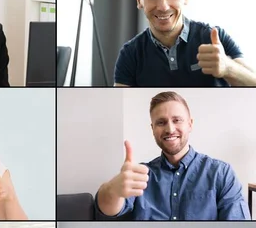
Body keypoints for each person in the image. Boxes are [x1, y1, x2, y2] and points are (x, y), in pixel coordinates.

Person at [95, 91, 249, 220]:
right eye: (161, 122)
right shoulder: (140, 175)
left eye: (177, 120)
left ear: (190, 124)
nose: (170, 129)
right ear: (153, 128)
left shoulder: (221, 173)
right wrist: (112, 190)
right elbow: (106, 211)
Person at [114, 0, 256, 86]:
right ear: (139, 1)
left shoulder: (214, 37)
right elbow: (120, 107)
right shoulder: (130, 54)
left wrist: (227, 68)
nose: (163, 6)